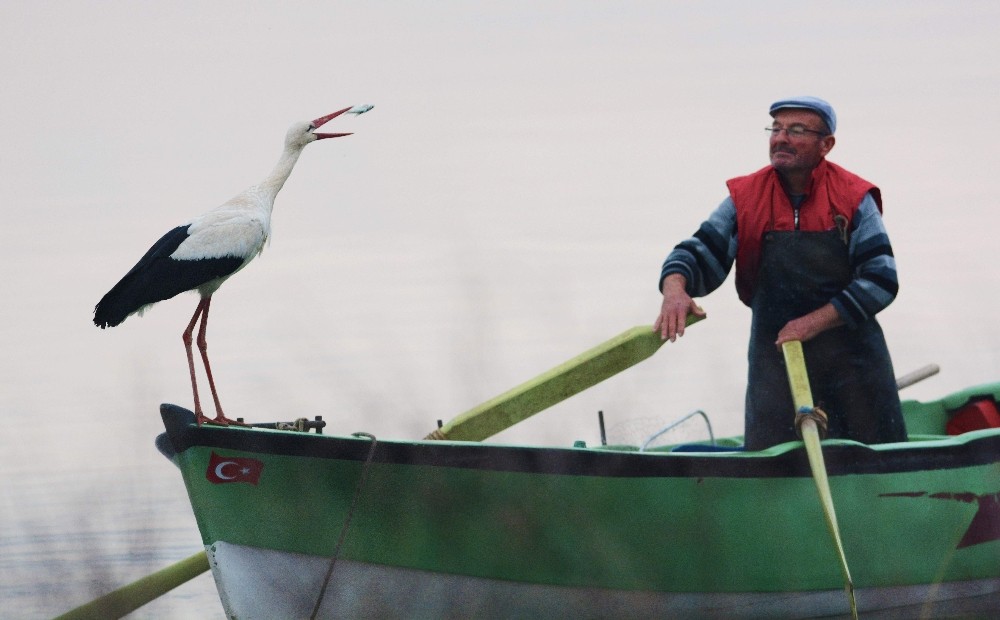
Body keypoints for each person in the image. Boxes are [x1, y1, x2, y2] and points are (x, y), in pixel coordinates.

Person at [654, 96, 907, 450]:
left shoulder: (853, 197)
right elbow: (698, 254)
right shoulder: (746, 197)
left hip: (854, 365)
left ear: (826, 145)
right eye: (776, 129)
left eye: (797, 130)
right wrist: (675, 289)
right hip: (775, 363)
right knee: (771, 459)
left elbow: (881, 280)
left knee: (872, 457)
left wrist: (811, 324)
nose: (781, 138)